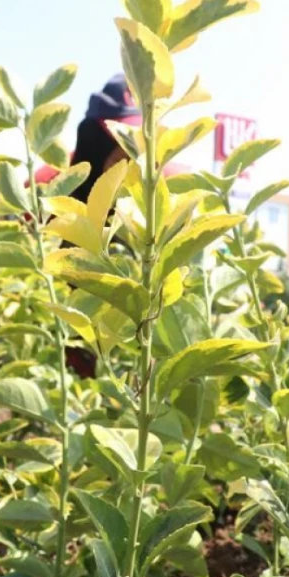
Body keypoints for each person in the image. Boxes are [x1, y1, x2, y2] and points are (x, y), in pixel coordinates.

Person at [34, 75, 191, 378]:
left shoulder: (168, 191)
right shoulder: (53, 186)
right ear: (100, 143)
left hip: (130, 365)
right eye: (126, 145)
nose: (137, 162)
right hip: (63, 356)